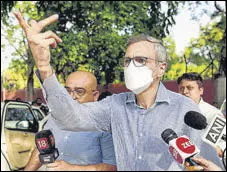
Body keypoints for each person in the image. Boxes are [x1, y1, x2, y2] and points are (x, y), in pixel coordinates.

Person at [14, 12, 224, 171]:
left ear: (161, 68)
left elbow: (205, 161)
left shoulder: (184, 109)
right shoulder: (114, 106)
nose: (132, 66)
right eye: (127, 60)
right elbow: (70, 118)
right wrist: (43, 66)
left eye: (141, 60)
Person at [24, 71, 116, 171]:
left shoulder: (105, 124)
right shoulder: (55, 117)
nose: (71, 97)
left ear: (95, 95)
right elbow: (41, 150)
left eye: (79, 92)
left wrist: (72, 168)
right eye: (67, 91)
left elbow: (112, 166)